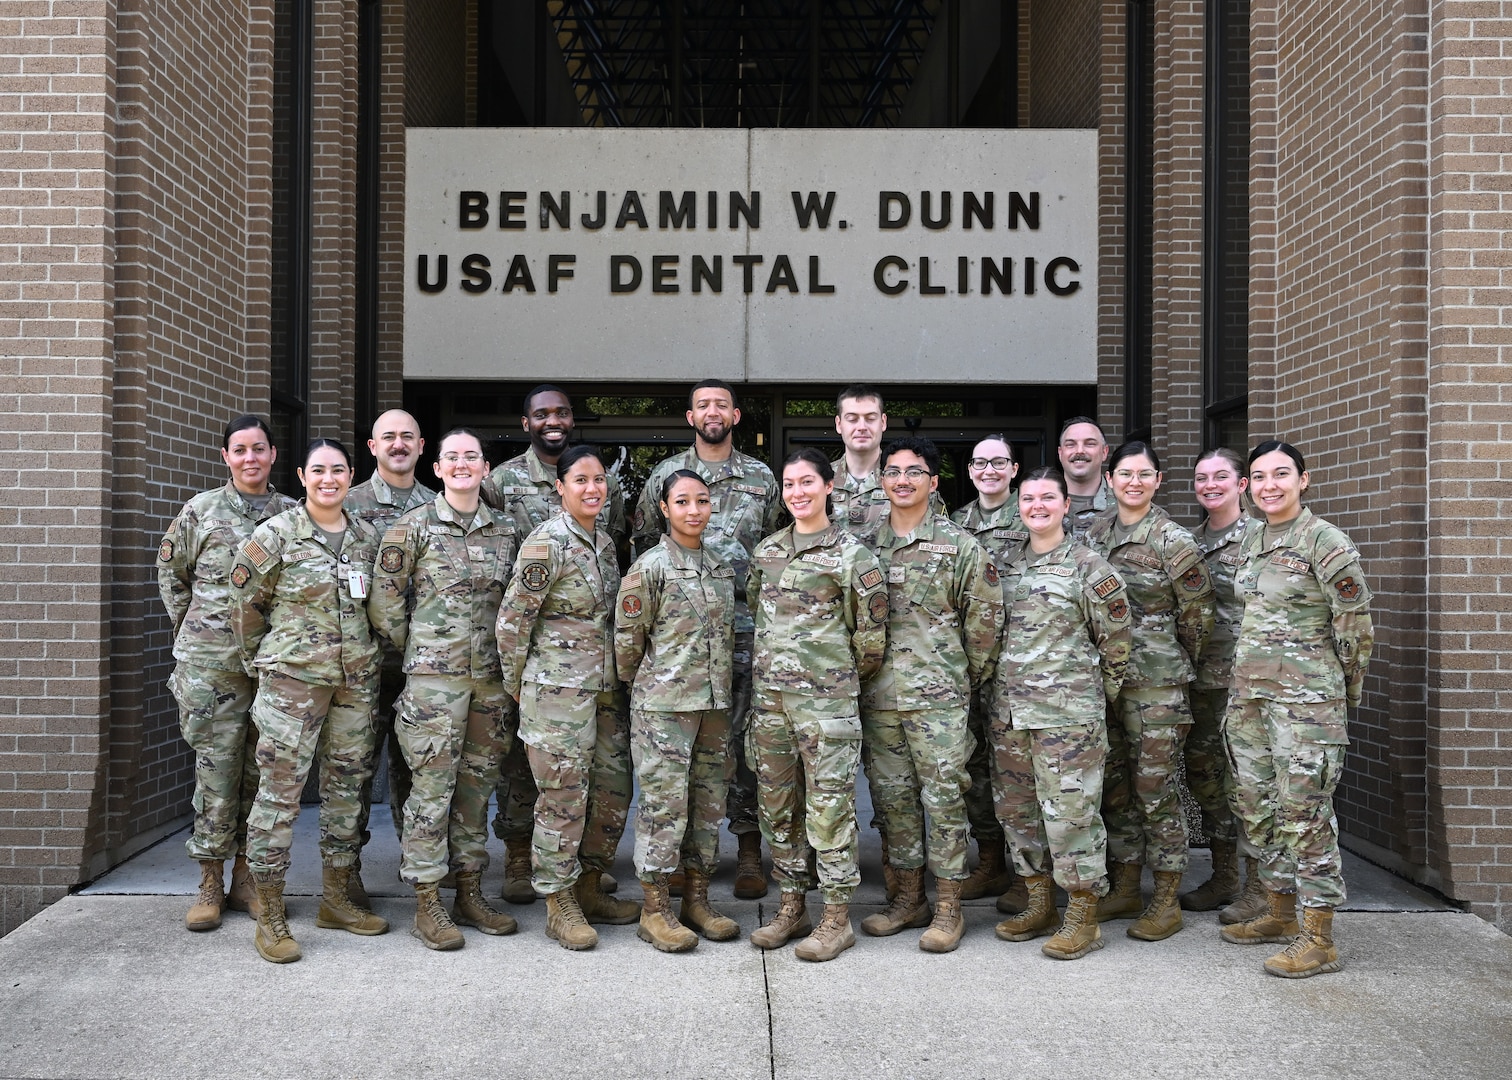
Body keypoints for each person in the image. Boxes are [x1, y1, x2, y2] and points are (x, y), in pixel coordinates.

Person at [230, 438, 388, 963]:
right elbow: (246, 607)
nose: (328, 479)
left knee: (347, 789)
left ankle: (337, 898)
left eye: (338, 470)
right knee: (279, 795)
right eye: (318, 470)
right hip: (292, 684)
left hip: (354, 682)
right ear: (301, 476)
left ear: (350, 476)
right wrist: (272, 662)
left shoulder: (366, 536)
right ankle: (270, 911)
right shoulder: (274, 535)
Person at [1220, 441, 1372, 978]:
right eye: (1259, 477)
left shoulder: (1325, 542)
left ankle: (1319, 937)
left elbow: (1355, 632)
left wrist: (1335, 697)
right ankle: (1280, 912)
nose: (1269, 485)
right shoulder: (1253, 538)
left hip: (1306, 707)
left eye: (1281, 474)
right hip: (1251, 702)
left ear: (1303, 480)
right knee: (1257, 807)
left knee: (1304, 815)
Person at [369, 428, 519, 950]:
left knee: (477, 791)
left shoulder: (507, 530)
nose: (461, 465)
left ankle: (470, 892)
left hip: (491, 682)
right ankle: (428, 901)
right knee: (431, 793)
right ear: (438, 468)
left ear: (484, 467)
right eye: (452, 457)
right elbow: (385, 604)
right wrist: (423, 648)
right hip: (434, 683)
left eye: (471, 457)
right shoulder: (411, 528)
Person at [630, 379, 781, 900]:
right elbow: (646, 543)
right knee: (683, 755)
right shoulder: (664, 476)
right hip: (683, 643)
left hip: (747, 632)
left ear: (735, 416)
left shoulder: (762, 477)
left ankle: (747, 851)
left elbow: (777, 546)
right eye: (702, 405)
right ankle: (678, 860)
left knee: (743, 748)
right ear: (689, 417)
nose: (712, 412)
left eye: (721, 404)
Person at [483, 385, 627, 905]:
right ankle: (558, 901)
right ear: (560, 488)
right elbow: (513, 621)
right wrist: (521, 686)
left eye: (598, 479)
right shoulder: (546, 542)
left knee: (611, 792)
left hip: (602, 689)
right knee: (561, 797)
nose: (591, 488)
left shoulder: (605, 544)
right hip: (556, 692)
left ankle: (589, 885)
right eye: (580, 480)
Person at [858, 437, 1003, 953]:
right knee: (893, 802)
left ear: (934, 481)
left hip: (938, 700)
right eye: (893, 471)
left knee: (943, 801)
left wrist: (959, 682)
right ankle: (907, 899)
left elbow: (984, 626)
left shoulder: (961, 547)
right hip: (879, 699)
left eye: (914, 472)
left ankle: (948, 907)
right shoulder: (863, 548)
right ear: (881, 481)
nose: (902, 479)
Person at [747, 448, 887, 962]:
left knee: (830, 810)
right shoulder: (767, 551)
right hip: (771, 706)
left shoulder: (854, 556)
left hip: (826, 708)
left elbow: (870, 641)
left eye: (807, 482)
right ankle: (791, 905)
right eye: (789, 484)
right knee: (779, 807)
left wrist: (829, 682)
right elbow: (757, 618)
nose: (798, 493)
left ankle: (835, 916)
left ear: (829, 487)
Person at [157, 414, 297, 931]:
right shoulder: (201, 511)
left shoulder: (293, 515)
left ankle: (247, 879)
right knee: (216, 773)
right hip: (211, 667)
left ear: (273, 454)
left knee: (261, 775)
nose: (250, 458)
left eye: (259, 448)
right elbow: (172, 574)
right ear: (226, 457)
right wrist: (193, 631)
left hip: (271, 667)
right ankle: (210, 881)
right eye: (240, 450)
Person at [990, 467, 1132, 960]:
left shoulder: (1090, 567)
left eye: (1047, 497)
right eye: (1028, 498)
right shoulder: (1003, 565)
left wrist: (1087, 699)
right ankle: (1038, 902)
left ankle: (1082, 917)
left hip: (1067, 718)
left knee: (1072, 818)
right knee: (1017, 813)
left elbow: (1116, 646)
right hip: (1009, 716)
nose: (1037, 506)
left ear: (1065, 505)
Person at [1084, 440, 1215, 942]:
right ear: (1109, 478)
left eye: (1144, 474)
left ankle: (1165, 897)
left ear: (1158, 480)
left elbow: (1197, 618)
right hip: (1104, 685)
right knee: (1114, 790)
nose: (1133, 482)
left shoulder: (1173, 541)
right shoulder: (1095, 533)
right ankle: (1124, 885)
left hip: (1155, 686)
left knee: (1154, 791)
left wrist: (1170, 662)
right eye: (1124, 473)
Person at [617, 470, 741, 951]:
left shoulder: (721, 566)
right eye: (683, 502)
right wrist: (650, 687)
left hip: (712, 706)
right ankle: (656, 908)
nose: (694, 510)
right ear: (664, 509)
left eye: (703, 501)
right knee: (663, 809)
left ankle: (697, 899)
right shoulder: (649, 568)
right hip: (665, 708)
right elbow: (627, 645)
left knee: (708, 806)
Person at [343, 409, 434, 906]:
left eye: (407, 437)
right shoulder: (346, 502)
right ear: (372, 447)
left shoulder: (439, 507)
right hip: (363, 667)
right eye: (388, 438)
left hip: (419, 669)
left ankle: (419, 870)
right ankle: (346, 872)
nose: (398, 445)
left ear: (422, 447)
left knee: (415, 771)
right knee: (352, 771)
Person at [951, 435, 1029, 911]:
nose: (989, 470)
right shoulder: (956, 524)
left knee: (1019, 777)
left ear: (1014, 469)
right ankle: (991, 861)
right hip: (969, 667)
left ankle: (1027, 874)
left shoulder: (1036, 515)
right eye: (980, 462)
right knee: (977, 772)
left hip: (1021, 670)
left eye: (998, 462)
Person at [1180, 448, 1259, 917]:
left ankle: (1259, 885)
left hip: (1246, 683)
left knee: (1248, 782)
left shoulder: (1258, 538)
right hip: (1203, 681)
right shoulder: (1188, 543)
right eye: (1201, 478)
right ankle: (1225, 874)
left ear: (1242, 484)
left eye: (1220, 477)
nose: (1210, 485)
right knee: (1207, 777)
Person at [830, 384, 945, 548]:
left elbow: (938, 540)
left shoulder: (913, 481)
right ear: (839, 424)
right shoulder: (817, 481)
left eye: (870, 418)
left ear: (883, 422)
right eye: (852, 419)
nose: (861, 427)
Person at [1056, 417, 1114, 540]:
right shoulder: (1035, 504)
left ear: (1104, 452)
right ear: (1060, 453)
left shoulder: (1126, 506)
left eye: (1090, 444)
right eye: (1070, 444)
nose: (1080, 451)